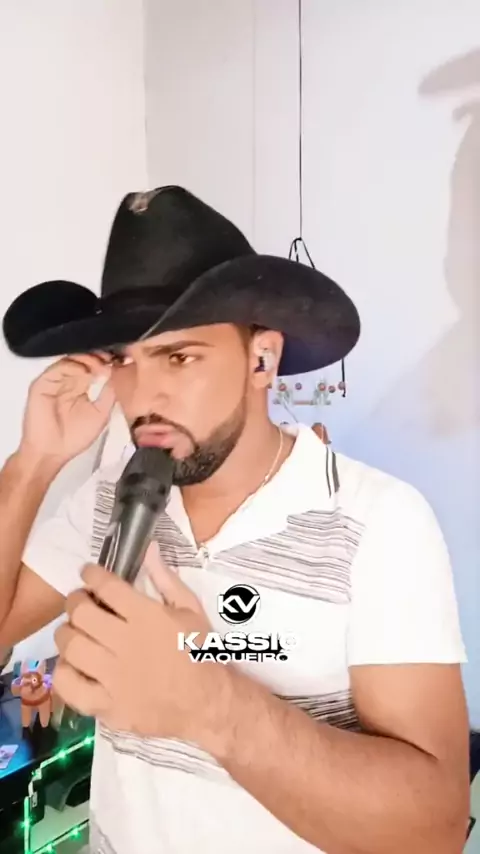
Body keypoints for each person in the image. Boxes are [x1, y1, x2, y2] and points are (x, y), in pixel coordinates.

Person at [0, 186, 469, 854]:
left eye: (179, 356)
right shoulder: (111, 496)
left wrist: (208, 702)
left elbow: (432, 829)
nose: (143, 394)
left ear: (261, 359)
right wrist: (33, 463)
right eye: (125, 359)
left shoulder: (380, 522)